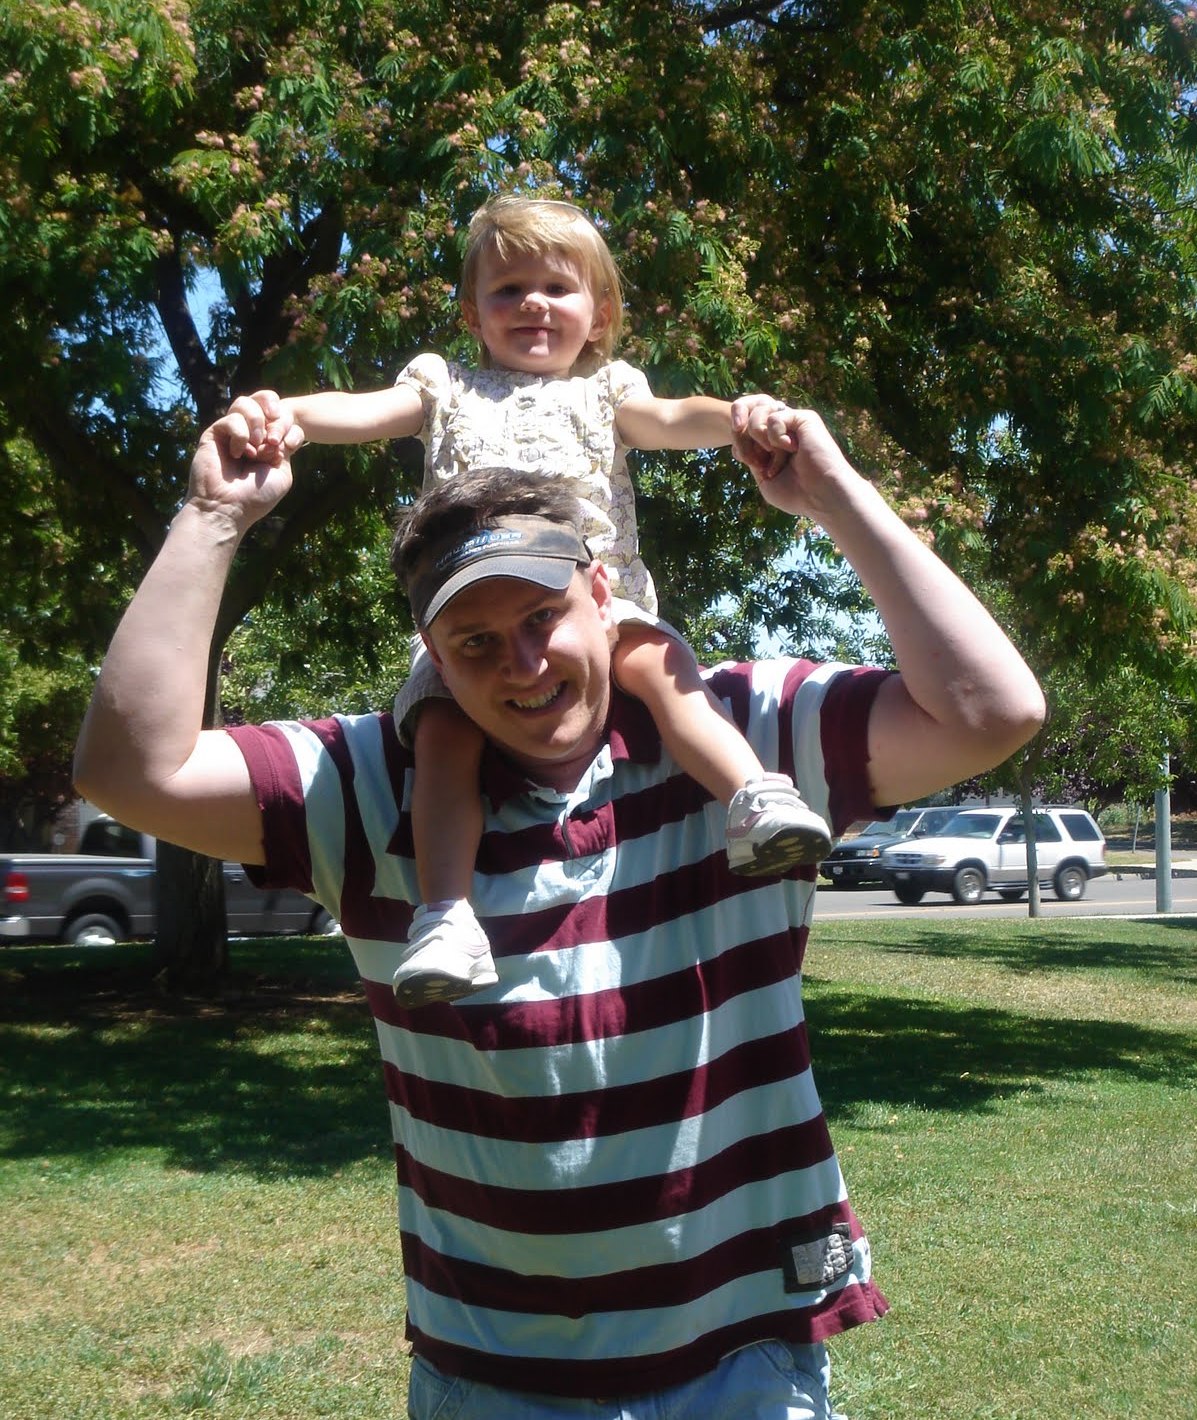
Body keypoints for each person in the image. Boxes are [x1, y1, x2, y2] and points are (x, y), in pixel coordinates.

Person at [73, 394, 1045, 1420]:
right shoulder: (365, 783)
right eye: (477, 641)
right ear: (434, 658)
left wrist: (835, 497)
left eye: (543, 618)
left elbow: (991, 710)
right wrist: (213, 518)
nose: (523, 664)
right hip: (500, 1385)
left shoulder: (749, 733)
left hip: (750, 1361)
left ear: (603, 595)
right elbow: (131, 771)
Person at [229, 194, 832, 1007]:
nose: (533, 305)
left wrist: (738, 418)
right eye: (508, 290)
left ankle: (753, 797)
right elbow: (368, 409)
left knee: (666, 672)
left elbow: (669, 417)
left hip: (595, 603)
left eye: (556, 287)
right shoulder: (444, 386)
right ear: (473, 314)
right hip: (472, 615)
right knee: (443, 738)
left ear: (600, 313)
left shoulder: (608, 391)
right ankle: (447, 917)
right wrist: (287, 414)